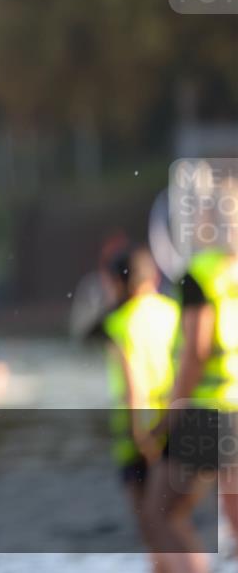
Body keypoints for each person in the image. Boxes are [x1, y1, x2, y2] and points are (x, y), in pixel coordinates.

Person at [142, 234, 238, 573]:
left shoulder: (200, 272)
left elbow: (196, 350)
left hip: (208, 413)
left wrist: (170, 415)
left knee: (159, 513)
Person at [94, 242, 177, 571]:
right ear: (152, 276)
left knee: (153, 528)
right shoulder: (173, 311)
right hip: (177, 422)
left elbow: (133, 387)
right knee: (175, 521)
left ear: (118, 282)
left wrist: (141, 438)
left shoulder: (120, 322)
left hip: (140, 432)